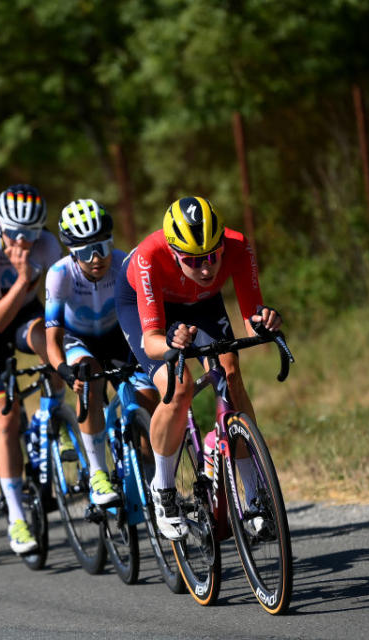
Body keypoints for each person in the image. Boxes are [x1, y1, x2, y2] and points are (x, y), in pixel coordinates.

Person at [115, 196, 282, 539]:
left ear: (221, 243)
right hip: (147, 305)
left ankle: (253, 496)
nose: (206, 268)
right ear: (175, 253)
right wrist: (173, 344)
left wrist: (264, 322)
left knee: (231, 371)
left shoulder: (237, 247)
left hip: (202, 302)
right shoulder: (149, 257)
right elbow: (151, 342)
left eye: (211, 256)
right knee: (178, 387)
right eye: (193, 260)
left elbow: (252, 320)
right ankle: (162, 490)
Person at [0, 184, 63, 554]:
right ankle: (17, 519)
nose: (23, 241)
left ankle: (53, 415)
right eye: (15, 233)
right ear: (0, 226)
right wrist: (22, 277)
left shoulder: (48, 246)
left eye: (31, 234)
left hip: (25, 312)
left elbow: (59, 307)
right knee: (5, 416)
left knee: (55, 347)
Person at [45, 199, 157, 506]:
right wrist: (64, 371)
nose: (97, 258)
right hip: (78, 340)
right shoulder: (60, 275)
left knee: (150, 401)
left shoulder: (123, 265)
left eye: (103, 246)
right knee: (89, 378)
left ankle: (155, 479)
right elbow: (52, 339)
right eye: (85, 252)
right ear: (71, 252)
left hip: (118, 338)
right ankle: (97, 474)